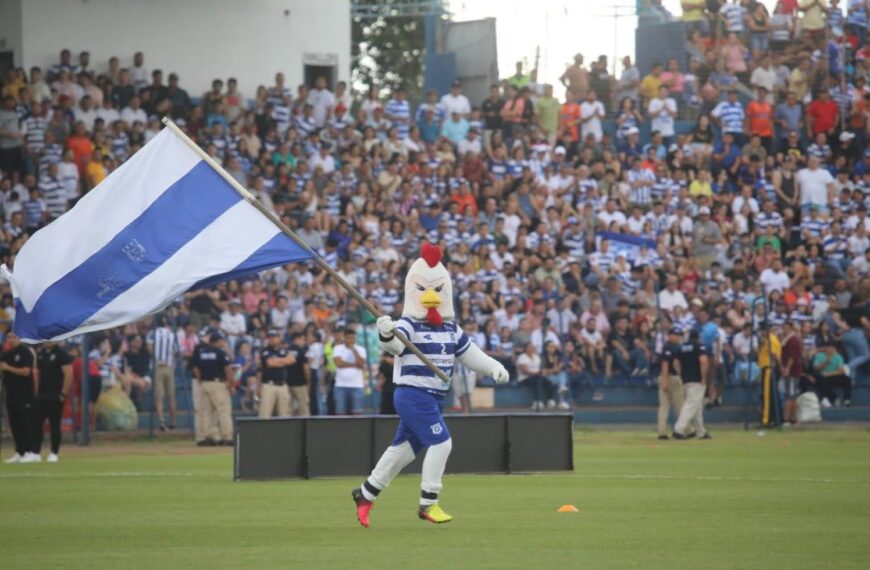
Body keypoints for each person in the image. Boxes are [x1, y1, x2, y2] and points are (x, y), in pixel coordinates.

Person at [352, 243, 509, 527]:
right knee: (442, 442)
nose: (430, 296)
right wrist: (385, 333)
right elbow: (396, 346)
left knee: (403, 451)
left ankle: (365, 493)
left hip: (434, 397)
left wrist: (493, 366)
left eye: (437, 289)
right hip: (413, 394)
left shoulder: (451, 328)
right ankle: (429, 502)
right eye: (424, 288)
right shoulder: (409, 323)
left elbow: (469, 354)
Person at [191, 330, 234, 446]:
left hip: (204, 383)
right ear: (218, 341)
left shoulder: (202, 352)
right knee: (223, 411)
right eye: (222, 341)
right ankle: (227, 437)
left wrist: (200, 381)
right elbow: (227, 368)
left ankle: (207, 437)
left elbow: (195, 368)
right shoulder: (220, 353)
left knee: (206, 412)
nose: (223, 343)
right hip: (217, 383)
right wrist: (231, 383)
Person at [1, 332, 39, 463]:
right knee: (14, 423)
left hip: (25, 394)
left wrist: (7, 367)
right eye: (9, 337)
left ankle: (31, 451)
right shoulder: (7, 354)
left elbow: (26, 371)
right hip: (11, 393)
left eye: (13, 337)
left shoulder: (26, 352)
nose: (11, 340)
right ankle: (20, 451)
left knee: (25, 422)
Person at [34, 341, 73, 462]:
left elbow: (69, 374)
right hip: (42, 394)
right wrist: (35, 392)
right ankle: (36, 452)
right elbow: (36, 373)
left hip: (55, 394)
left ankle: (54, 452)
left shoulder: (62, 354)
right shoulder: (40, 354)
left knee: (54, 424)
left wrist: (63, 393)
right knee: (37, 424)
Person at [673, 330, 711, 440]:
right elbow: (703, 361)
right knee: (690, 406)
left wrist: (681, 373)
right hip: (697, 380)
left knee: (697, 407)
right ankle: (678, 429)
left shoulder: (682, 347)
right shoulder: (699, 347)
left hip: (686, 380)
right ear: (698, 337)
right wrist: (704, 377)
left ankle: (701, 432)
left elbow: (675, 362)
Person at [148, 317, 179, 431]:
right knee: (171, 396)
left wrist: (157, 358)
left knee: (159, 397)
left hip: (158, 366)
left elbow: (150, 348)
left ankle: (162, 422)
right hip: (169, 366)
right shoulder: (171, 334)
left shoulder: (152, 333)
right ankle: (174, 422)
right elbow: (175, 351)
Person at [657, 328, 685, 440]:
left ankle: (675, 430)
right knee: (675, 406)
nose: (677, 337)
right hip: (670, 377)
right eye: (674, 335)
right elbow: (665, 365)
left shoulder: (677, 347)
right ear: (669, 336)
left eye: (678, 335)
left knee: (672, 406)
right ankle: (671, 431)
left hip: (671, 377)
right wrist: (665, 381)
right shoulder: (669, 347)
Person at [258, 329, 294, 418]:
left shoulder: (283, 350)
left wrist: (277, 360)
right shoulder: (265, 350)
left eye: (275, 337)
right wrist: (284, 361)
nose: (273, 339)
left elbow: (292, 360)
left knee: (285, 414)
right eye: (270, 337)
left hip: (282, 385)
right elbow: (270, 363)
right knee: (265, 414)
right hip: (269, 385)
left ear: (279, 338)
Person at [332, 327, 367, 415]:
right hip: (340, 385)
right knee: (340, 412)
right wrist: (355, 364)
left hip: (357, 385)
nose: (351, 340)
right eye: (349, 338)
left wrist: (354, 351)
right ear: (344, 338)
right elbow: (338, 363)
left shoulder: (360, 349)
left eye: (353, 338)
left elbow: (361, 364)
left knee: (357, 412)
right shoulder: (337, 348)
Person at [757, 326, 782, 427]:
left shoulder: (770, 340)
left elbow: (774, 355)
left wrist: (780, 366)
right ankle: (774, 419)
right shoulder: (767, 339)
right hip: (766, 367)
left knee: (767, 396)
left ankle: (766, 420)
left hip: (769, 368)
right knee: (770, 395)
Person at [779, 321, 803, 425]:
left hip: (792, 371)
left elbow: (792, 356)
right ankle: (793, 419)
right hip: (789, 370)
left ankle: (787, 419)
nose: (785, 330)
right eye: (783, 328)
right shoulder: (786, 340)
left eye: (787, 328)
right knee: (791, 395)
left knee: (790, 395)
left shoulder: (792, 340)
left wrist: (787, 368)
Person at [286, 332, 310, 416]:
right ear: (296, 339)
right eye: (302, 339)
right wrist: (308, 381)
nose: (304, 342)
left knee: (288, 408)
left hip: (287, 383)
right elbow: (305, 368)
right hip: (300, 383)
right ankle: (305, 427)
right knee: (303, 408)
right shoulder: (302, 351)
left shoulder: (286, 351)